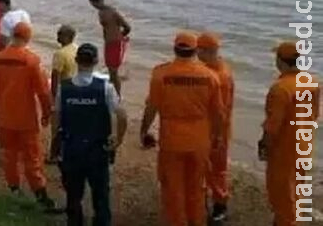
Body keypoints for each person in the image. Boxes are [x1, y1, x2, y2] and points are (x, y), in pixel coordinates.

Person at [139, 31, 224, 226]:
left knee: (173, 189)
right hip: (200, 139)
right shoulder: (210, 76)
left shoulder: (161, 74)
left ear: (175, 49)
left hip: (172, 139)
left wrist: (144, 130)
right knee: (196, 187)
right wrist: (218, 137)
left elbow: (151, 107)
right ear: (195, 51)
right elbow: (219, 112)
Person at [0, 22, 59, 212]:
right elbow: (43, 92)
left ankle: (14, 190)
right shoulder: (31, 61)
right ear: (28, 38)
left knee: (9, 155)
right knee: (32, 157)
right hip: (26, 119)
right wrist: (46, 113)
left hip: (5, 117)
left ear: (12, 36)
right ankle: (40, 195)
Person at [56, 43, 127, 226]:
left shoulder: (63, 88)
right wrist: (117, 140)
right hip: (97, 150)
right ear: (96, 61)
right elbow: (121, 114)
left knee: (73, 195)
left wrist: (56, 144)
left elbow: (56, 117)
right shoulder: (105, 87)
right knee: (101, 195)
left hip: (72, 149)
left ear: (77, 60)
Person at [258, 41, 319, 226]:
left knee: (281, 195)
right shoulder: (313, 83)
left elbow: (273, 125)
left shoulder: (280, 89)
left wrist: (264, 145)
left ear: (281, 61)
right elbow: (314, 115)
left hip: (284, 150)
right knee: (296, 190)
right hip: (303, 145)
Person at [197, 32, 234, 223]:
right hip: (211, 128)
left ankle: (220, 206)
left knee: (217, 169)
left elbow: (220, 110)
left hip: (217, 129)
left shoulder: (219, 76)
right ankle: (208, 201)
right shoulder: (213, 69)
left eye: (199, 51)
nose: (196, 54)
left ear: (206, 51)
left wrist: (217, 135)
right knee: (207, 167)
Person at [88, 0, 131, 94]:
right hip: (108, 44)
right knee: (111, 71)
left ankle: (118, 95)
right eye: (93, 6)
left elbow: (127, 27)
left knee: (113, 72)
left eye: (95, 4)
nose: (95, 7)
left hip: (116, 43)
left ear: (100, 1)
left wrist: (120, 36)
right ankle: (112, 94)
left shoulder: (112, 12)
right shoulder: (100, 12)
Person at [48, 24, 79, 163]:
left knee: (56, 126)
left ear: (67, 36)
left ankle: (54, 155)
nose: (57, 37)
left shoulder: (60, 54)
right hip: (76, 90)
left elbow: (56, 77)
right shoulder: (76, 49)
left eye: (60, 34)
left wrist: (53, 97)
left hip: (63, 91)